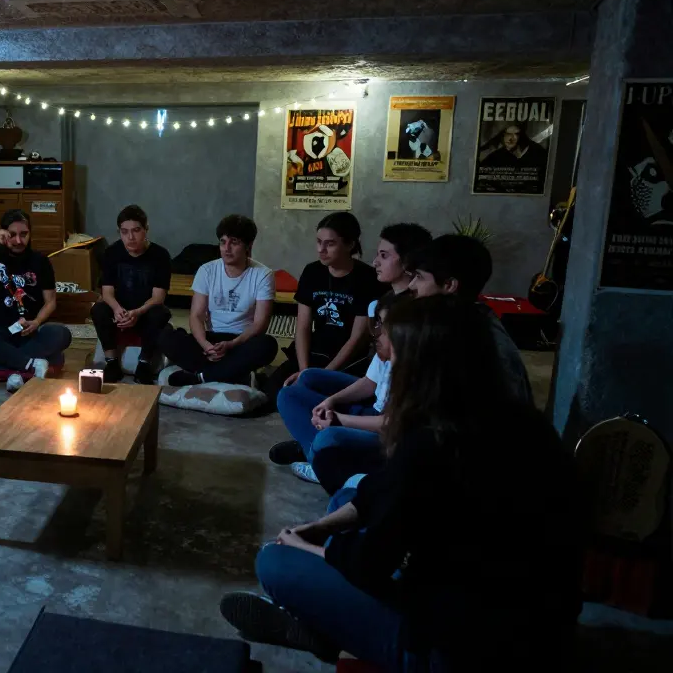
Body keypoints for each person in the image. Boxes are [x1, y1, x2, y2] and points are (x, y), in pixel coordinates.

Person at [220, 296, 582, 670]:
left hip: (460, 649)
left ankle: (334, 638)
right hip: (542, 629)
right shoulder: (520, 422)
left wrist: (307, 546)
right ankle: (334, 627)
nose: (389, 366)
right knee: (349, 495)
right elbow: (381, 492)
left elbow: (368, 564)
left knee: (275, 561)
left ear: (420, 367)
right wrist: (321, 527)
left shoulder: (434, 444)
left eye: (394, 358)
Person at [270, 223, 432, 484]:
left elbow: (394, 420)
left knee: (328, 435)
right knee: (293, 389)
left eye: (384, 255)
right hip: (375, 403)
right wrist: (332, 402)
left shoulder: (417, 323)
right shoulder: (385, 303)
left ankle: (317, 455)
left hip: (387, 423)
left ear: (408, 263)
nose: (375, 261)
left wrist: (339, 420)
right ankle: (318, 445)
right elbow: (372, 380)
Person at [267, 212, 385, 400]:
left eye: (330, 244)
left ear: (350, 244)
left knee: (324, 395)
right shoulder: (312, 271)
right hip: (316, 349)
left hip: (349, 356)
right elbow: (303, 327)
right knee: (274, 391)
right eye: (318, 241)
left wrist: (319, 376)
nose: (321, 249)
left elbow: (357, 339)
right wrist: (305, 370)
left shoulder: (367, 278)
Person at [405, 234, 534, 404]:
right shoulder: (464, 320)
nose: (411, 285)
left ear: (450, 285)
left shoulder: (471, 340)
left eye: (419, 277)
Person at [0, 208, 72, 392]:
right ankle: (30, 365)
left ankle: (15, 366)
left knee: (61, 334)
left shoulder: (40, 261)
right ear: (3, 235)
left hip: (30, 332)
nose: (18, 240)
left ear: (30, 233)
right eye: (12, 235)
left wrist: (37, 322)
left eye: (24, 234)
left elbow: (50, 302)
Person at [159, 214, 277, 387]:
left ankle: (201, 377)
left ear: (248, 246)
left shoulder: (263, 275)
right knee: (166, 337)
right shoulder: (207, 270)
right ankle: (234, 374)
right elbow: (196, 316)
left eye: (234, 242)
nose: (226, 248)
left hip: (241, 341)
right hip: (212, 340)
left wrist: (232, 344)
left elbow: (260, 324)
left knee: (268, 345)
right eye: (223, 242)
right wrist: (206, 345)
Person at [92, 205, 172, 384]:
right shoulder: (112, 252)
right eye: (124, 231)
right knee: (99, 310)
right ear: (119, 232)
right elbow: (107, 292)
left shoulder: (160, 255)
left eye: (136, 231)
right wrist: (118, 310)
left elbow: (158, 297)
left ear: (146, 230)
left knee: (161, 312)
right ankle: (111, 362)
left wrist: (137, 313)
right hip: (119, 311)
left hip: (145, 311)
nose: (130, 237)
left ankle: (144, 364)